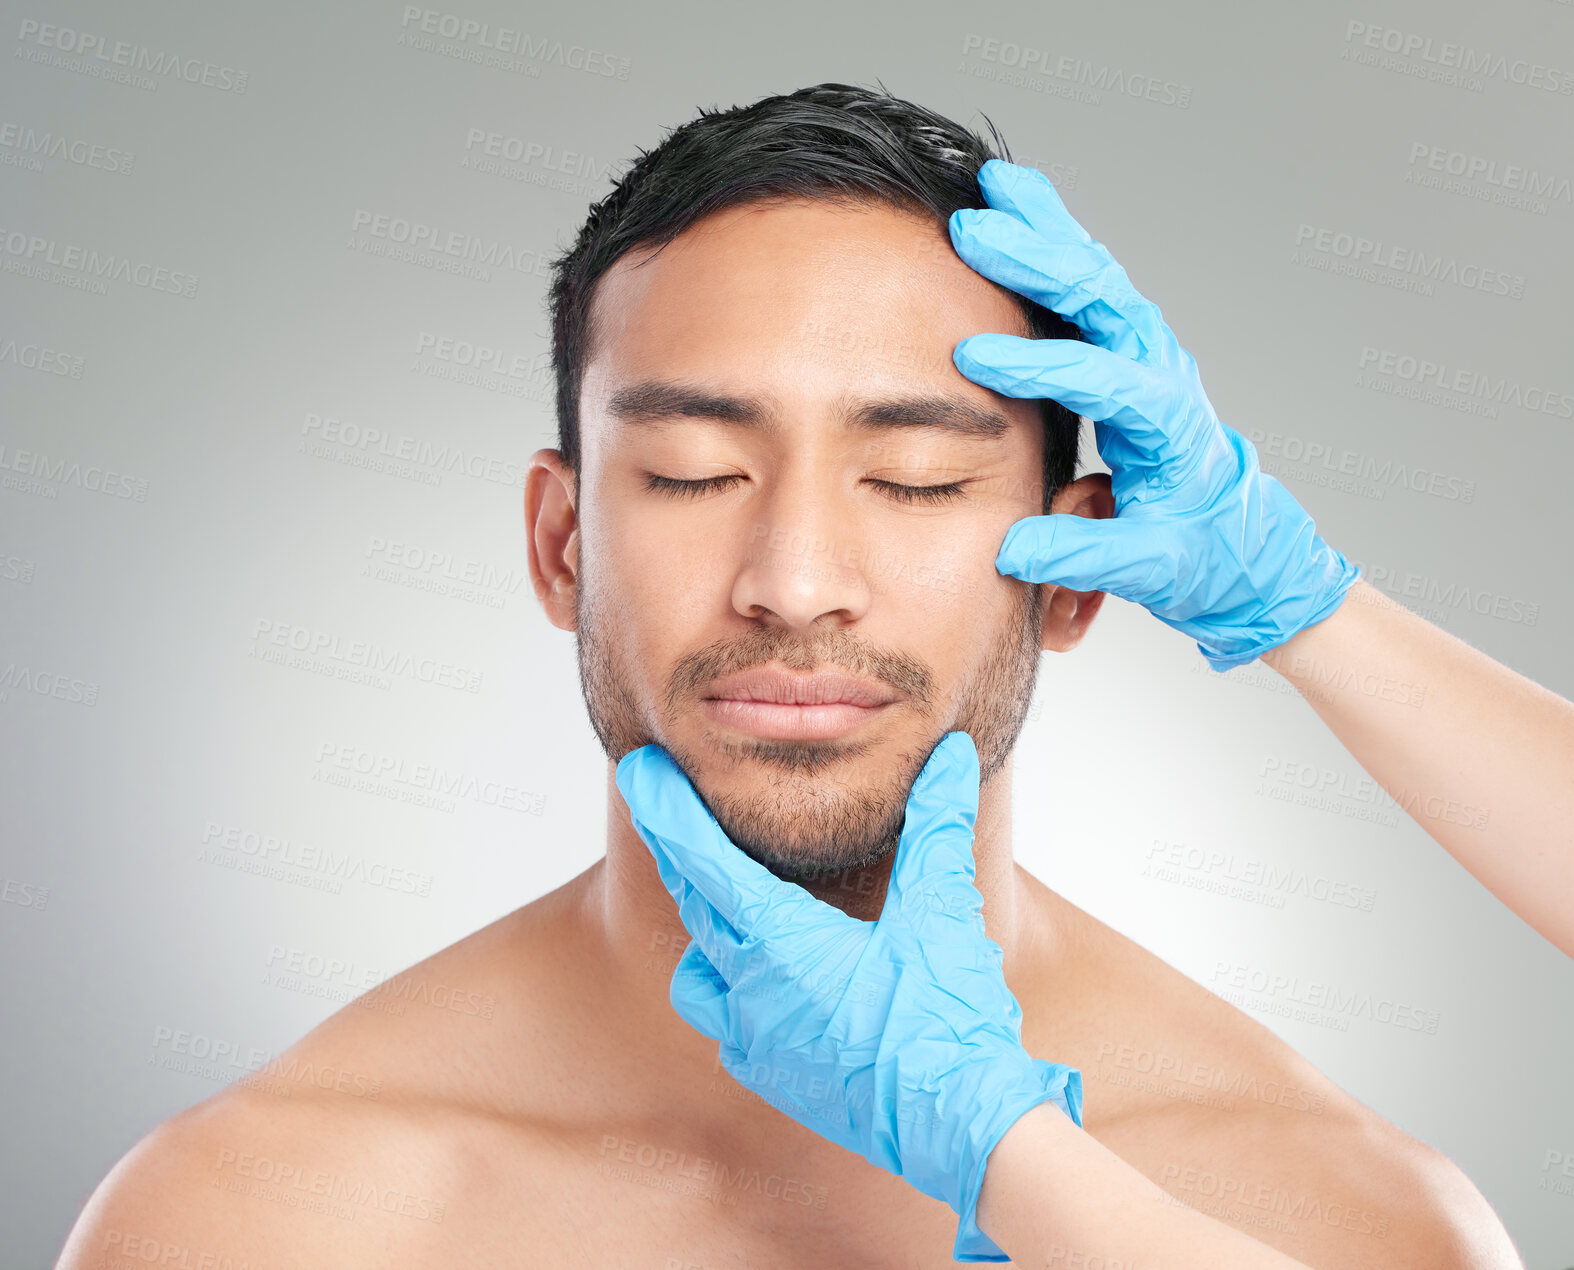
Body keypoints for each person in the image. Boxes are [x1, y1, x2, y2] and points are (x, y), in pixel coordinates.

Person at [57, 83, 1554, 1269]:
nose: (790, 576)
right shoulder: (261, 1216)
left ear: (1083, 571)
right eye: (698, 469)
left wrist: (1013, 1160)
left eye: (909, 478)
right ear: (561, 542)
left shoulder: (1346, 1218)